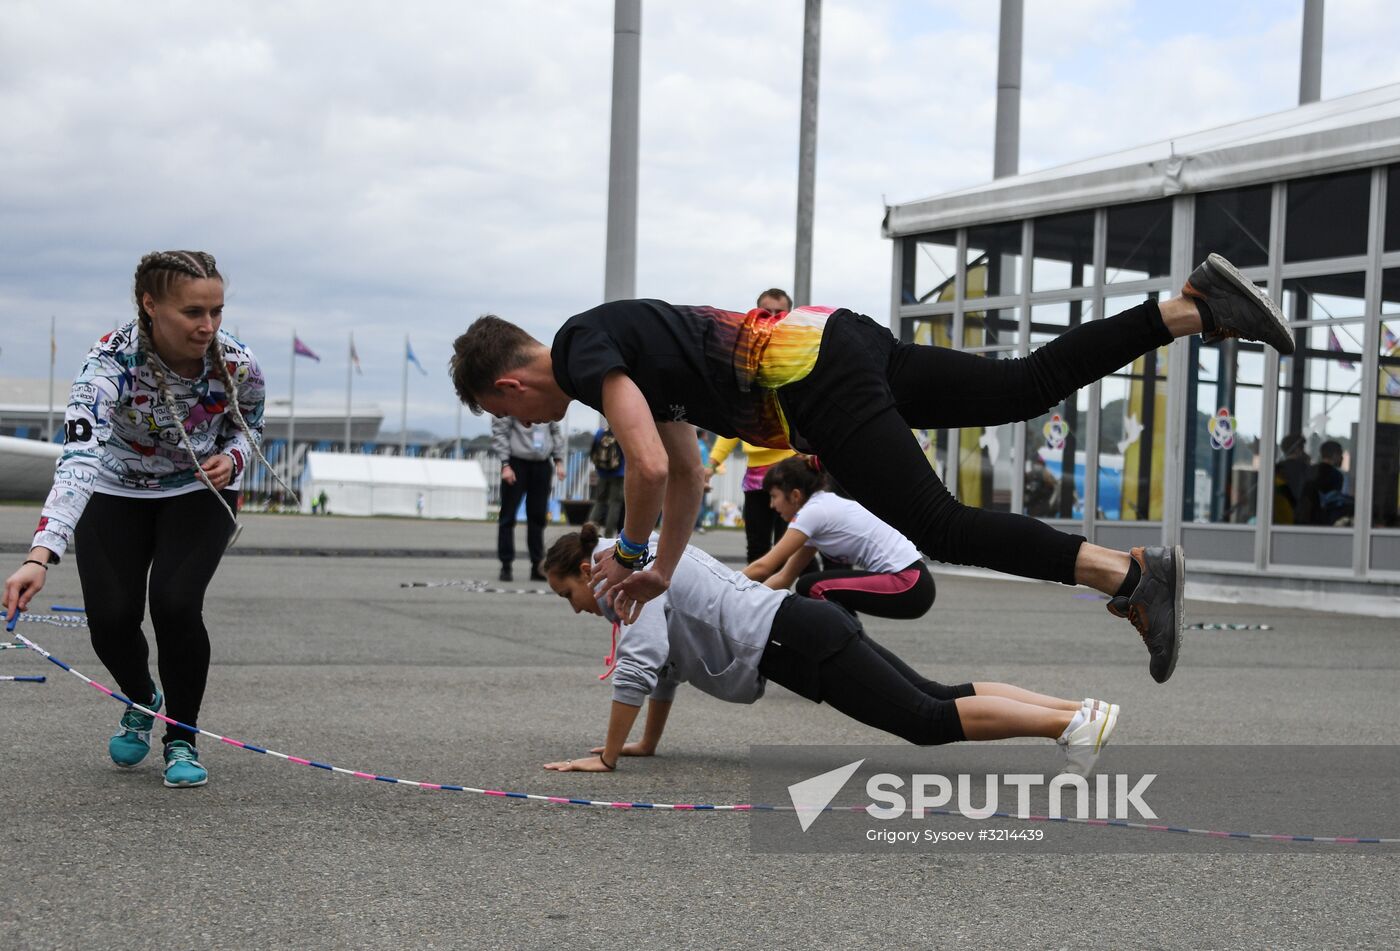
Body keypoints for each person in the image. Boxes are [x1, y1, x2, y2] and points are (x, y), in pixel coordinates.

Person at [450, 252, 1296, 684]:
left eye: (505, 413)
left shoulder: (576, 345)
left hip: (813, 380)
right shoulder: (627, 355)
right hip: (834, 340)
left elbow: (640, 464)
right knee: (1021, 383)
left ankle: (1131, 573)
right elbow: (681, 473)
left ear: (508, 383)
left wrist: (629, 557)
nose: (520, 423)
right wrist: (663, 571)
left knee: (937, 526)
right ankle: (1191, 308)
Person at [1, 250, 287, 789]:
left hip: (198, 490)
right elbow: (78, 460)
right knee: (110, 620)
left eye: (218, 311)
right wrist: (41, 554)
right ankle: (142, 696)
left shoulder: (238, 363)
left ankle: (181, 736)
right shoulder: (107, 364)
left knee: (176, 604)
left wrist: (235, 460)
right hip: (115, 488)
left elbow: (251, 423)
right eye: (193, 312)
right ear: (150, 305)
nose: (208, 327)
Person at [537, 524, 1120, 776]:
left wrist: (608, 757)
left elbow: (640, 664)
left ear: (586, 572)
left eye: (568, 594)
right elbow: (666, 668)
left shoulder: (628, 578)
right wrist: (645, 743)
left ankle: (1068, 728)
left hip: (795, 637)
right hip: (802, 624)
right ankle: (1079, 712)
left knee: (927, 719)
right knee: (935, 698)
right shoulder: (644, 553)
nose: (576, 608)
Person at [742, 455, 934, 620]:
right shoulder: (819, 509)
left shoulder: (813, 512)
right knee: (813, 587)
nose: (771, 505)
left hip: (908, 582)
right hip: (914, 582)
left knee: (813, 587)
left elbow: (763, 566)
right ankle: (853, 648)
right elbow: (784, 578)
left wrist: (728, 589)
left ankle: (848, 648)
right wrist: (748, 602)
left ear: (795, 495)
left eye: (774, 496)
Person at [492, 415, 565, 581]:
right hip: (516, 463)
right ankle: (506, 565)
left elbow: (555, 430)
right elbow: (500, 433)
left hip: (542, 463)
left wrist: (559, 460)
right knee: (508, 517)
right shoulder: (511, 402)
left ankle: (537, 565)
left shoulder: (545, 401)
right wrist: (505, 464)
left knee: (538, 517)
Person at [1298, 440, 1354, 526]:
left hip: (1304, 518)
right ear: (1335, 455)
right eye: (1340, 455)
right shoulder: (1336, 475)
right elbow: (1334, 500)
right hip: (1324, 520)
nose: (1342, 458)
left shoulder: (1309, 470)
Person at [588, 425, 625, 536]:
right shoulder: (622, 431)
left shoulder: (600, 432)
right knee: (615, 504)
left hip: (602, 472)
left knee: (599, 502)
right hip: (619, 473)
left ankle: (589, 532)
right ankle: (609, 536)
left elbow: (593, 450)